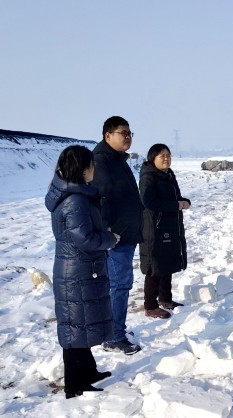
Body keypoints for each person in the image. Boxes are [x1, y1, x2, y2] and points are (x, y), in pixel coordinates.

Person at [45, 145, 119, 399]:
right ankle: (74, 385)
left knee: (81, 325)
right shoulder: (75, 201)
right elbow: (84, 238)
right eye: (91, 164)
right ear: (82, 168)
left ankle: (88, 372)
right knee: (75, 328)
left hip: (79, 268)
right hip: (76, 271)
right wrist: (110, 238)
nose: (93, 169)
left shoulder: (76, 195)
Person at [91, 116, 144, 355]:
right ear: (107, 135)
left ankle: (115, 330)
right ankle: (114, 336)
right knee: (119, 285)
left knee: (120, 284)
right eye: (123, 133)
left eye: (130, 133)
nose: (128, 137)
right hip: (117, 236)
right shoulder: (102, 161)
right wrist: (107, 231)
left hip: (125, 232)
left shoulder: (116, 159)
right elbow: (100, 198)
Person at [139, 144, 190, 319]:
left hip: (167, 226)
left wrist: (183, 201)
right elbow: (149, 202)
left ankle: (166, 299)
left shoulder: (167, 175)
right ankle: (150, 305)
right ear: (152, 158)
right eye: (162, 156)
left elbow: (172, 198)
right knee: (154, 266)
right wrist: (176, 205)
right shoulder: (149, 177)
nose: (166, 158)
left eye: (168, 155)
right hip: (154, 228)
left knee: (166, 262)